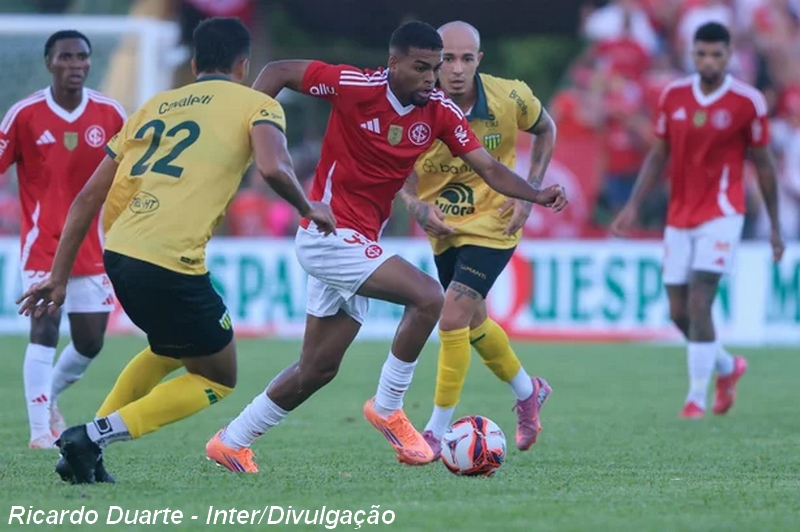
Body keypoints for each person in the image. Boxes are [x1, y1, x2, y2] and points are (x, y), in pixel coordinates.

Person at [206, 20, 568, 473]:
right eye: (421, 68)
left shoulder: (439, 111)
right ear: (393, 63)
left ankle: (232, 441)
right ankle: (388, 406)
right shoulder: (355, 86)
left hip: (360, 240)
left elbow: (490, 168)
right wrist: (244, 129)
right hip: (327, 234)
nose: (432, 79)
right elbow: (278, 70)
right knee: (429, 297)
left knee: (317, 369)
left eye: (435, 68)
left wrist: (536, 194)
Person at [17, 16, 335, 484]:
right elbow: (272, 168)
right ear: (243, 66)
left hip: (119, 252)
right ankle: (93, 436)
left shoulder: (154, 106)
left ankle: (86, 450)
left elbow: (87, 197)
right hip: (170, 260)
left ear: (193, 64)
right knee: (218, 377)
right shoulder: (257, 105)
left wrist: (58, 276)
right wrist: (309, 207)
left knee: (169, 350)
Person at [397, 21, 558, 460]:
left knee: (451, 317)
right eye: (447, 59)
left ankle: (434, 433)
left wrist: (528, 194)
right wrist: (415, 205)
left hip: (495, 224)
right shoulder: (412, 103)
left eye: (466, 58)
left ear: (479, 60)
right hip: (444, 228)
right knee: (473, 324)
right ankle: (528, 391)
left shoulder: (511, 97)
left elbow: (546, 128)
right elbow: (399, 169)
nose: (456, 69)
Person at [611, 22, 783, 418]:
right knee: (679, 312)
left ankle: (695, 399)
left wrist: (774, 226)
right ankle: (727, 365)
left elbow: (764, 165)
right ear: (692, 54)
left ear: (729, 55)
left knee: (701, 300)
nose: (708, 61)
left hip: (723, 212)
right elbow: (659, 153)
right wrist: (634, 205)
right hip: (680, 214)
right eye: (701, 54)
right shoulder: (673, 96)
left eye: (716, 54)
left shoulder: (748, 102)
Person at [0, 30, 126, 449]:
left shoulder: (110, 114)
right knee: (44, 328)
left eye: (82, 57)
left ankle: (49, 396)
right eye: (66, 57)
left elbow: (133, 172)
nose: (76, 64)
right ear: (49, 63)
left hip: (94, 246)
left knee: (90, 340)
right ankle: (39, 432)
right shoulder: (24, 115)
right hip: (43, 244)